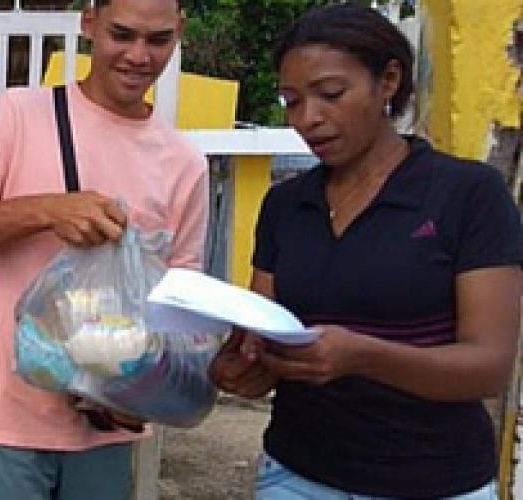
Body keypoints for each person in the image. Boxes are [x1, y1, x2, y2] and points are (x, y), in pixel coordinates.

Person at [209, 4, 523, 499]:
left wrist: (364, 357)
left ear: (388, 81)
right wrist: (240, 368)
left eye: (331, 94)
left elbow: (488, 367)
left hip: (434, 482)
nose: (308, 119)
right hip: (297, 476)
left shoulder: (466, 194)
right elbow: (265, 336)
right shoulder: (287, 204)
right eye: (291, 101)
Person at [0, 0, 209, 497]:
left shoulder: (184, 162)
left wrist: (142, 393)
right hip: (5, 421)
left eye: (157, 40)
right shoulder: (19, 115)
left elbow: (181, 312)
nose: (138, 56)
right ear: (89, 22)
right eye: (122, 34)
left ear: (179, 33)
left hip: (108, 431)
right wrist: (49, 211)